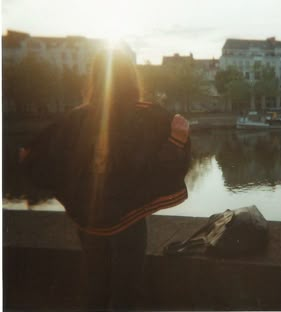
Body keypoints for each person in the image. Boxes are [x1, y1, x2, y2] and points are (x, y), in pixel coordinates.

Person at [20, 48, 191, 311]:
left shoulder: (75, 119)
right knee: (127, 290)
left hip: (89, 220)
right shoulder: (146, 117)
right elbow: (158, 166)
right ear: (131, 78)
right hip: (128, 219)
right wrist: (177, 140)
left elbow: (34, 155)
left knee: (95, 286)